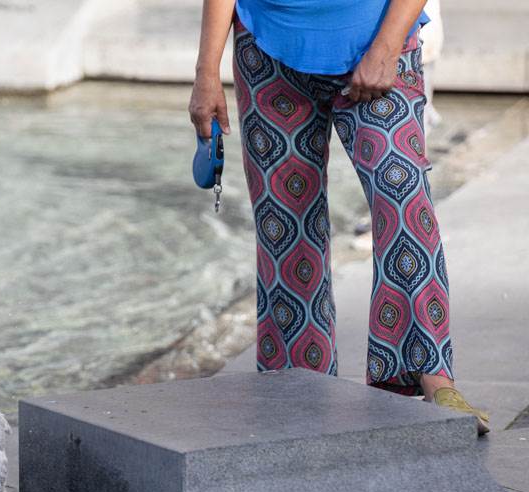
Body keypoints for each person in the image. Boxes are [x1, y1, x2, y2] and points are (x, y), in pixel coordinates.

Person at [189, 0, 489, 433]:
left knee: (401, 191)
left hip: (378, 37)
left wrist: (386, 47)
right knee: (285, 226)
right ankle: (298, 383)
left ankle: (428, 373)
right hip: (269, 48)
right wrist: (205, 74)